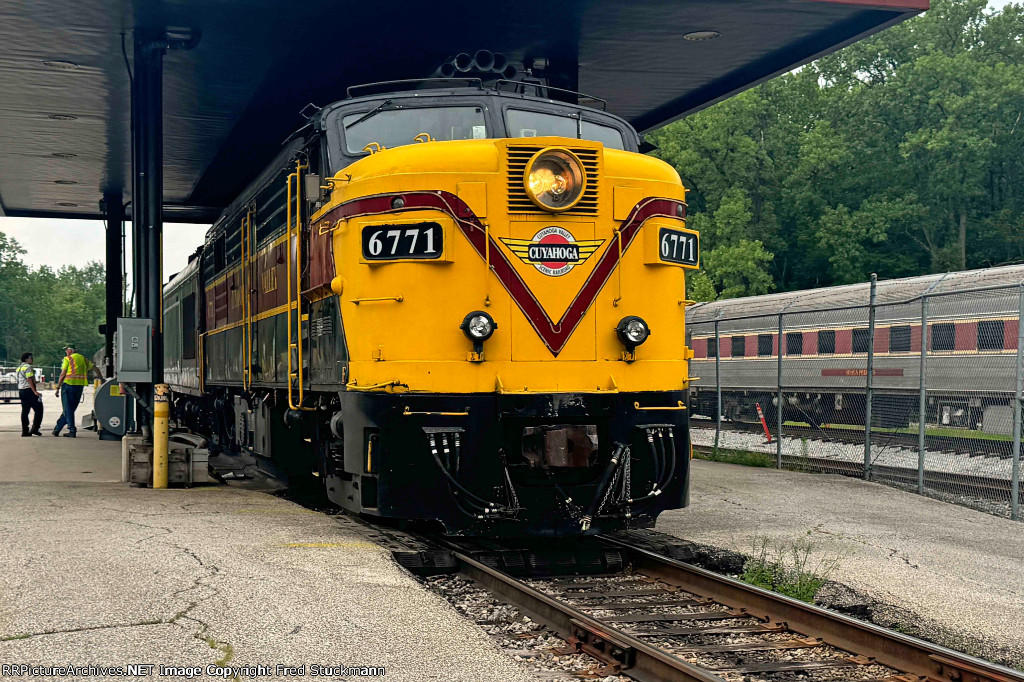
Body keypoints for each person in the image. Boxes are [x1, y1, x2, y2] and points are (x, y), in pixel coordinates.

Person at [53, 344, 100, 438]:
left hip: (68, 386)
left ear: (70, 350)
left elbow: (63, 374)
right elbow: (95, 368)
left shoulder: (68, 359)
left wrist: (58, 387)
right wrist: (102, 379)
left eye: (66, 350)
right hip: (79, 387)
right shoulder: (83, 359)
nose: (66, 352)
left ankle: (72, 430)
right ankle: (57, 429)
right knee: (69, 409)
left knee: (67, 409)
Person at [16, 352, 43, 437]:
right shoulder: (28, 367)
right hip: (29, 391)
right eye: (31, 358)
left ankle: (25, 431)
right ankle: (35, 428)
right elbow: (29, 379)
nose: (32, 359)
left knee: (25, 411)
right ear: (27, 359)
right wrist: (35, 391)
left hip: (21, 391)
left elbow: (21, 380)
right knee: (39, 409)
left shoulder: (19, 368)